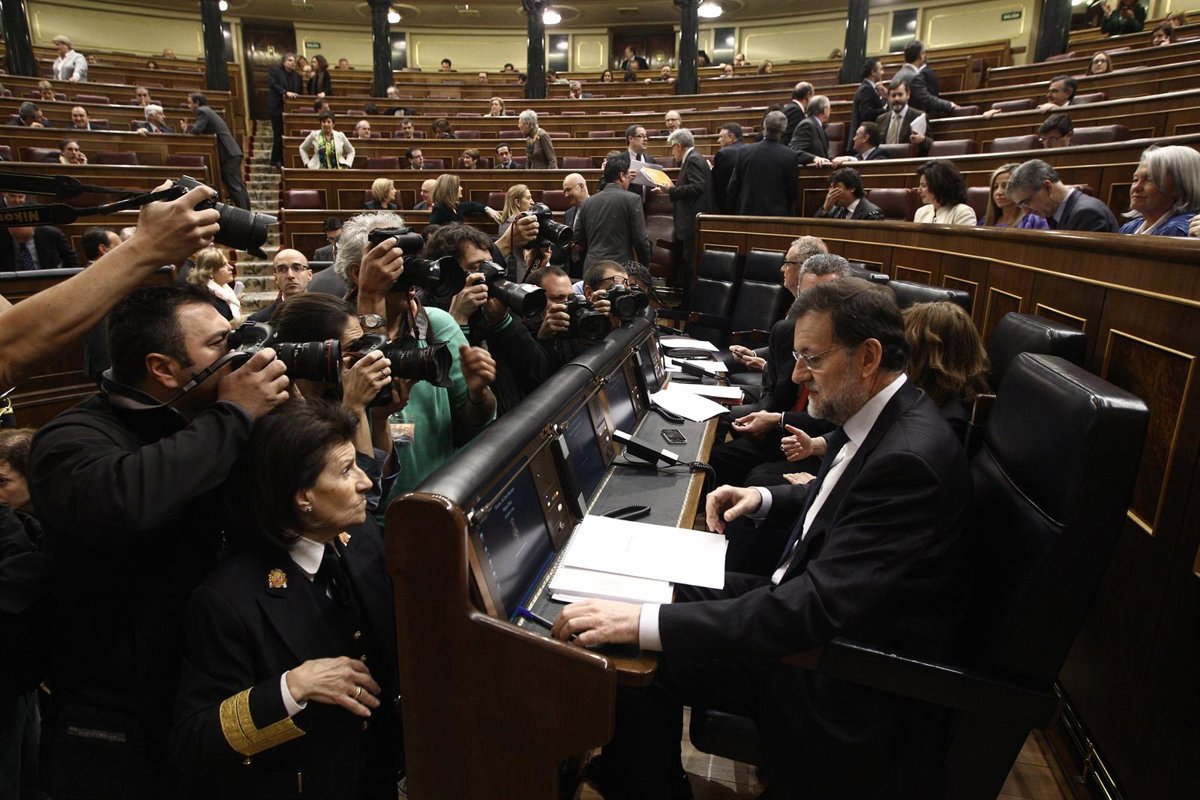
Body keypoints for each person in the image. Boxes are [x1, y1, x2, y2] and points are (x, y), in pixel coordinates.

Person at [553, 277, 973, 799]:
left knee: (634, 655)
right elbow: (844, 499)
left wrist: (643, 623)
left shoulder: (909, 459)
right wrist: (765, 497)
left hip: (838, 678)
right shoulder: (886, 415)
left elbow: (810, 610)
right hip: (804, 615)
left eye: (811, 359)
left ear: (868, 357)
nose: (798, 375)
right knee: (646, 589)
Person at [27, 283, 289, 799]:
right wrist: (234, 414)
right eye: (218, 344)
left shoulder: (211, 423)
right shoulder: (68, 439)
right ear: (163, 369)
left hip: (215, 691)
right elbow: (129, 500)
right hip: (120, 723)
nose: (236, 355)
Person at [170, 400, 402, 798]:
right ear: (302, 497)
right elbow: (195, 740)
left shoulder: (360, 539)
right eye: (346, 470)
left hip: (378, 774)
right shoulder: (227, 599)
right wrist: (291, 687)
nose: (366, 481)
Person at [335, 211, 498, 504]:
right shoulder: (334, 337)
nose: (409, 275)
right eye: (394, 265)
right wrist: (371, 295)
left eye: (409, 261)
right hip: (366, 511)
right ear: (358, 273)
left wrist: (479, 393)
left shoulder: (438, 325)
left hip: (437, 502)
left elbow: (475, 423)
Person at [711, 240, 838, 493]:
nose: (799, 374)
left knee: (757, 478)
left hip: (816, 447)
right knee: (712, 459)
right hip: (780, 435)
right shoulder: (787, 329)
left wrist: (777, 421)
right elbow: (774, 389)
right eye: (808, 298)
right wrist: (765, 420)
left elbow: (836, 423)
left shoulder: (849, 351)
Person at [424, 224, 555, 414]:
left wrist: (503, 323)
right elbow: (449, 400)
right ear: (446, 275)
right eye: (477, 267)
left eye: (490, 265)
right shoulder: (428, 320)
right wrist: (458, 321)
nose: (488, 275)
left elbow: (542, 376)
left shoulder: (492, 308)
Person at [573, 152, 651, 269]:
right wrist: (645, 265)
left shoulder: (587, 203)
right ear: (622, 176)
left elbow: (579, 240)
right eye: (627, 177)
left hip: (591, 267)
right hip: (618, 268)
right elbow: (640, 240)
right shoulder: (632, 199)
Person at [1005, 159, 1119, 231]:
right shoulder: (1054, 213)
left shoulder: (1087, 214)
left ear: (1048, 187)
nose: (1026, 212)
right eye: (1021, 206)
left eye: (1026, 202)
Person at [666, 129, 715, 293]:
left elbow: (697, 187)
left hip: (692, 221)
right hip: (690, 220)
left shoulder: (693, 159)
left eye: (672, 148)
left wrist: (671, 190)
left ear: (679, 146)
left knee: (691, 265)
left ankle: (690, 302)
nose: (672, 152)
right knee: (688, 264)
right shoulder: (694, 158)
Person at [183, 93, 251, 209]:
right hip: (231, 152)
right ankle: (247, 212)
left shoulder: (202, 111)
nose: (188, 106)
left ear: (197, 103)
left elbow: (196, 130)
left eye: (190, 102)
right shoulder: (208, 111)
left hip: (227, 153)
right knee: (238, 185)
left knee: (235, 186)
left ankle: (245, 214)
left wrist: (187, 128)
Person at [727, 110, 799, 217]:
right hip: (776, 216)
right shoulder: (790, 156)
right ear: (783, 130)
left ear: (764, 127)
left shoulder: (744, 151)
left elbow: (733, 188)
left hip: (747, 213)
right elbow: (792, 192)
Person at [1117, 145, 1200, 236]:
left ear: (1180, 187)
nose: (1136, 187)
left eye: (1149, 180)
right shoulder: (1129, 228)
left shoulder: (1176, 230)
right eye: (1135, 179)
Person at [891, 40, 959, 119]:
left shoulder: (897, 74)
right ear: (921, 55)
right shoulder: (914, 76)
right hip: (912, 121)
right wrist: (950, 105)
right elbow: (927, 99)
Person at [248, 248, 313, 322]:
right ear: (276, 278)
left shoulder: (323, 312)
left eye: (297, 268)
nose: (290, 275)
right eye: (282, 269)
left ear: (309, 275)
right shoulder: (260, 321)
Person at [980, 163, 1049, 229]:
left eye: (1006, 186)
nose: (998, 192)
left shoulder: (1033, 220)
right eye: (995, 187)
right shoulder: (986, 221)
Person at [876, 81, 931, 155]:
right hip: (886, 160)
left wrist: (923, 140)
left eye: (900, 94)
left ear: (908, 95)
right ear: (888, 97)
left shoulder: (919, 116)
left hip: (909, 160)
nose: (896, 99)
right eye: (893, 95)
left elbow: (930, 144)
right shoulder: (881, 119)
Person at [187, 246, 241, 321]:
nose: (231, 267)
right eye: (224, 265)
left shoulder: (225, 290)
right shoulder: (208, 298)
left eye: (228, 263)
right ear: (210, 273)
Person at [267, 53, 303, 167]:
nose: (292, 63)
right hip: (277, 107)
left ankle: (285, 159)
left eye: (294, 61)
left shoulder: (297, 76)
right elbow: (273, 85)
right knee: (278, 134)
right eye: (290, 60)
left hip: (291, 110)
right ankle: (275, 159)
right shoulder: (275, 71)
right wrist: (285, 92)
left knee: (289, 135)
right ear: (284, 62)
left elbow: (299, 92)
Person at [914, 160, 976, 225]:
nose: (919, 190)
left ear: (939, 186)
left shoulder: (962, 212)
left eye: (924, 186)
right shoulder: (921, 212)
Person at [428, 174, 504, 226]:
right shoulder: (439, 209)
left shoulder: (455, 206)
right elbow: (432, 232)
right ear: (450, 190)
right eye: (458, 186)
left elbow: (472, 205)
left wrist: (487, 209)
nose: (461, 188)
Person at [814, 167, 885, 220]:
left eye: (836, 187)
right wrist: (825, 208)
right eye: (831, 187)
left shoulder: (872, 213)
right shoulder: (833, 209)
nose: (831, 192)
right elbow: (815, 229)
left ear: (852, 188)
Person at [0, 224, 79, 271]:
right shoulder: (2, 237)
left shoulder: (51, 234)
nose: (21, 241)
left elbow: (71, 258)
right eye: (17, 238)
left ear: (34, 228)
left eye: (26, 238)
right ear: (9, 230)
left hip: (47, 279)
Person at [789, 94, 834, 167]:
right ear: (825, 110)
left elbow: (824, 155)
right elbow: (793, 150)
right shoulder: (807, 125)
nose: (830, 111)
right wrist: (814, 158)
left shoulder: (818, 125)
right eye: (829, 108)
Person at [711, 123, 746, 214]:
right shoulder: (750, 150)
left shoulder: (724, 153)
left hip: (727, 203)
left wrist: (711, 170)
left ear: (730, 137)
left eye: (721, 137)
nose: (718, 140)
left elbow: (717, 182)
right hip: (745, 203)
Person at [850, 58, 888, 136]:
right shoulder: (866, 89)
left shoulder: (869, 88)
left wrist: (885, 97)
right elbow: (866, 114)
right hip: (863, 137)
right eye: (881, 69)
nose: (883, 72)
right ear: (873, 72)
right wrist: (885, 109)